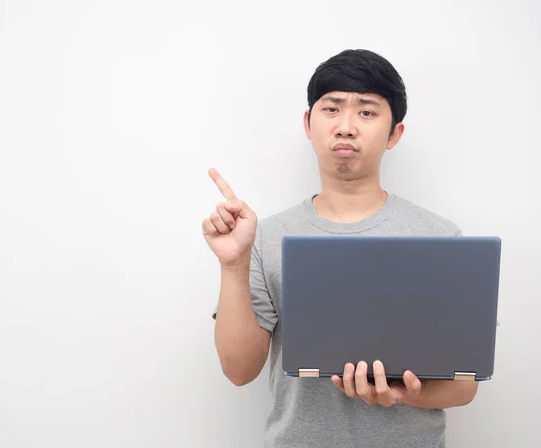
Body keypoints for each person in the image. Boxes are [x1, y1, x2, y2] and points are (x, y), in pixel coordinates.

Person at [202, 49, 478, 448]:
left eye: (367, 112)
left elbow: (465, 387)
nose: (346, 126)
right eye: (331, 108)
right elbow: (239, 370)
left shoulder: (440, 237)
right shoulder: (264, 236)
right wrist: (233, 264)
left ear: (394, 133)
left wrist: (407, 391)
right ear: (308, 124)